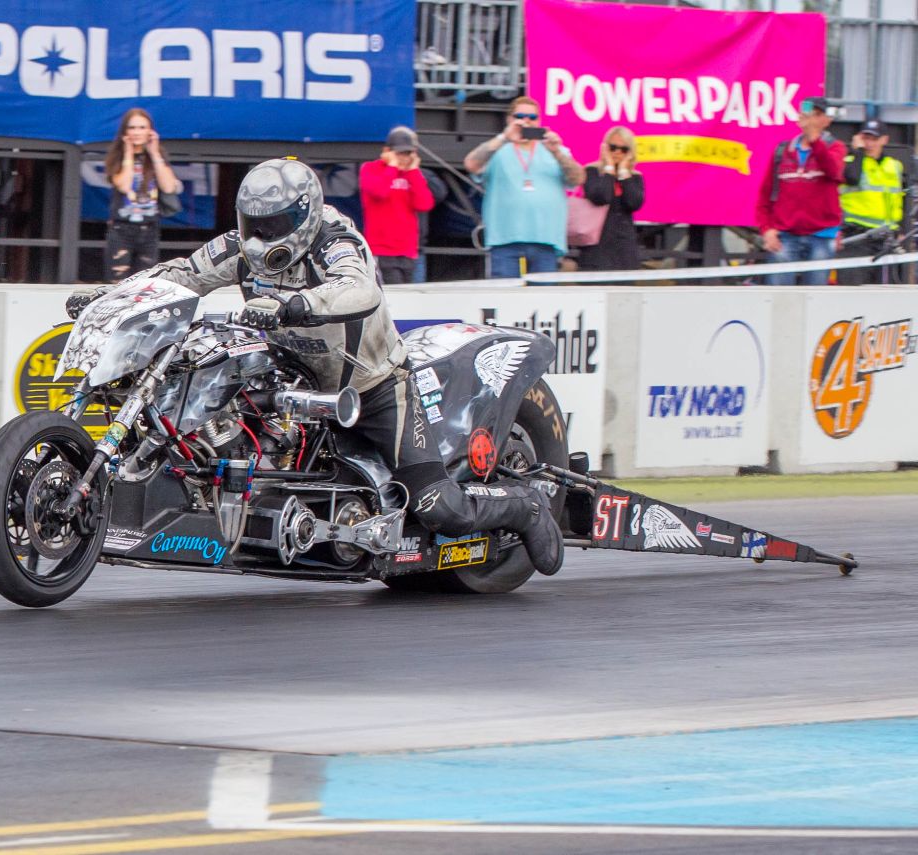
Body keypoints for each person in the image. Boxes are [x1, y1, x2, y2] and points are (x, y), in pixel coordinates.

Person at [67, 158, 564, 576]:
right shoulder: (240, 248)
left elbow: (359, 288)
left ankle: (525, 506)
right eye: (254, 223)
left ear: (304, 215)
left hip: (374, 388)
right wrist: (116, 295)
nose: (263, 236)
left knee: (437, 505)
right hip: (292, 379)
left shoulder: (336, 240)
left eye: (276, 224)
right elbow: (182, 273)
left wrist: (297, 305)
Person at [462, 96, 584, 279]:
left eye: (532, 117)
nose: (526, 121)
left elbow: (578, 178)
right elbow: (471, 164)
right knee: (505, 294)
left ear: (539, 121)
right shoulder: (497, 149)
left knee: (543, 295)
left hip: (545, 240)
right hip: (505, 240)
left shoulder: (554, 150)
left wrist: (557, 152)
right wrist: (504, 137)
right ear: (509, 119)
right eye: (519, 116)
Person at [755, 97, 847, 285]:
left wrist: (814, 139)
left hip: (822, 235)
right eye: (808, 114)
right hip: (785, 235)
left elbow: (833, 171)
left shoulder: (836, 147)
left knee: (815, 295)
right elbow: (765, 195)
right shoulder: (782, 151)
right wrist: (767, 229)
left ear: (827, 120)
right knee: (779, 295)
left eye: (817, 115)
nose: (811, 119)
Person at [102, 108, 182, 282]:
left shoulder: (156, 157)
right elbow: (124, 185)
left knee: (145, 283)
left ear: (150, 131)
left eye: (142, 128)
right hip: (122, 228)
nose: (137, 132)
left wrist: (154, 153)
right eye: (132, 128)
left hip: (149, 229)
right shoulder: (117, 156)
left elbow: (169, 187)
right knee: (117, 282)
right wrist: (128, 153)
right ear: (125, 131)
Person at [359, 126, 435, 284]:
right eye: (400, 153)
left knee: (409, 294)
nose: (404, 158)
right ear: (387, 151)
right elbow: (379, 192)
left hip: (408, 250)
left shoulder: (412, 174)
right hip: (381, 249)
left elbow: (424, 204)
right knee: (392, 291)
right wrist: (392, 167)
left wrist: (413, 172)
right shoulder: (370, 169)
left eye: (408, 153)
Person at [838, 119, 908, 285]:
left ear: (884, 139)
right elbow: (852, 178)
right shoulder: (850, 162)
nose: (869, 143)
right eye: (866, 138)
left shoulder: (894, 166)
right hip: (856, 236)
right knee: (853, 287)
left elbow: (901, 198)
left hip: (886, 238)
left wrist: (902, 228)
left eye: (874, 139)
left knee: (885, 291)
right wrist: (857, 151)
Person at [578, 127, 645, 271]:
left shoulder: (634, 177)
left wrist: (623, 172)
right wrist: (609, 169)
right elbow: (601, 197)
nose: (617, 152)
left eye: (624, 149)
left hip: (624, 248)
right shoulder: (592, 171)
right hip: (596, 247)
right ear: (605, 148)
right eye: (613, 148)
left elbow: (634, 203)